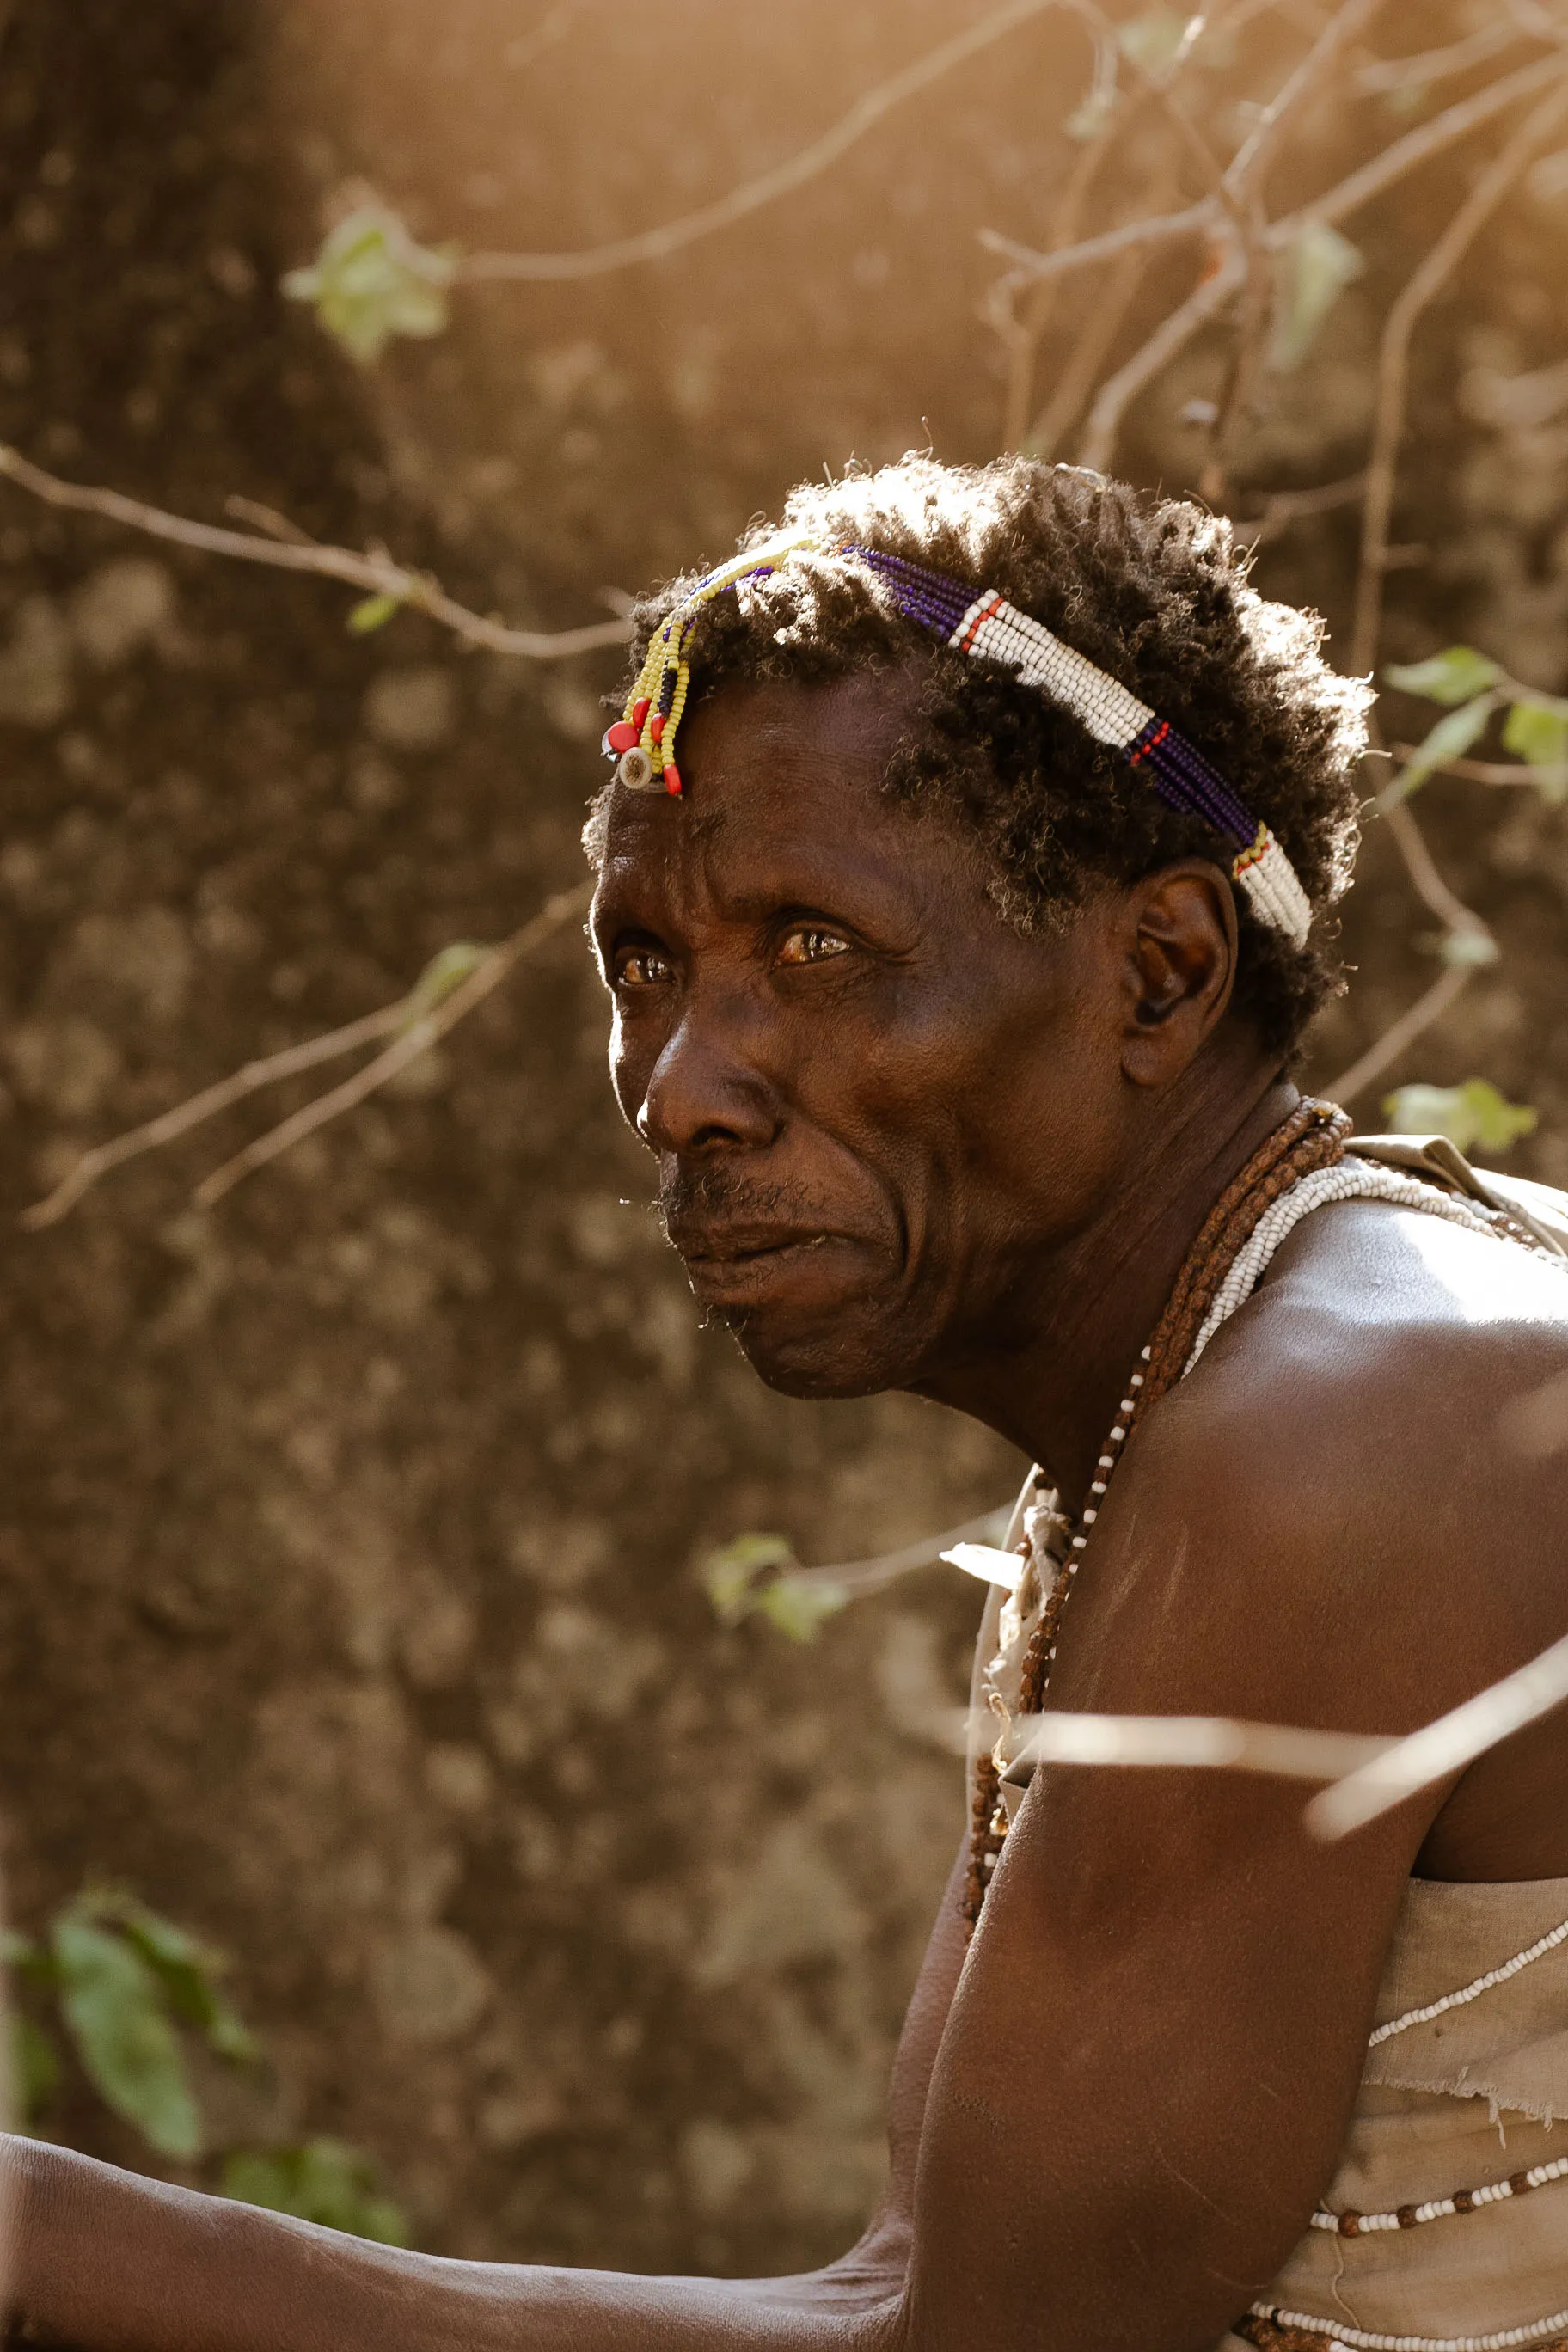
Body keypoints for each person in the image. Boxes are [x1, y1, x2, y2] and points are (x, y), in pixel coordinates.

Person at [8, 454, 1568, 2352]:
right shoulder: (1249, 1371)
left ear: (1159, 972)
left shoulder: (1334, 1438)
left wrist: (39, 2243)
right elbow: (903, 2295)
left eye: (817, 949)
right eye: (644, 965)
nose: (681, 1089)